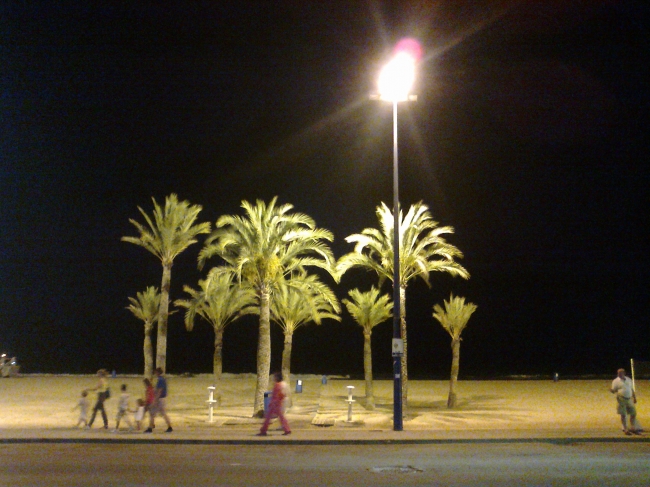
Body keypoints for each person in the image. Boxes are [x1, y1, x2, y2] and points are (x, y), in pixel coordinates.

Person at [257, 372, 291, 436]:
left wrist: (272, 403)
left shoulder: (277, 385)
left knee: (268, 417)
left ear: (277, 378)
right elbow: (285, 394)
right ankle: (287, 429)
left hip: (276, 404)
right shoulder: (284, 384)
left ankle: (263, 430)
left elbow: (275, 396)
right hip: (280, 403)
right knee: (281, 417)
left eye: (275, 377)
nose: (274, 378)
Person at [610, 368, 641, 435]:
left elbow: (632, 389)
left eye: (620, 373)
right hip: (621, 399)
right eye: (618, 373)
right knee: (623, 414)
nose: (619, 374)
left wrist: (634, 397)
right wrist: (612, 391)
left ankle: (633, 427)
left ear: (624, 373)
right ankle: (625, 428)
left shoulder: (629, 380)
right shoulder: (615, 381)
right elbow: (614, 390)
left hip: (629, 398)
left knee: (633, 413)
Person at [145, 368, 172, 433]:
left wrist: (155, 400)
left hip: (159, 399)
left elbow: (159, 391)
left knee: (152, 413)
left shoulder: (160, 380)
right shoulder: (163, 379)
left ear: (157, 372)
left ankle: (150, 428)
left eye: (155, 372)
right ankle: (169, 427)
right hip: (162, 399)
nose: (155, 373)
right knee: (163, 413)